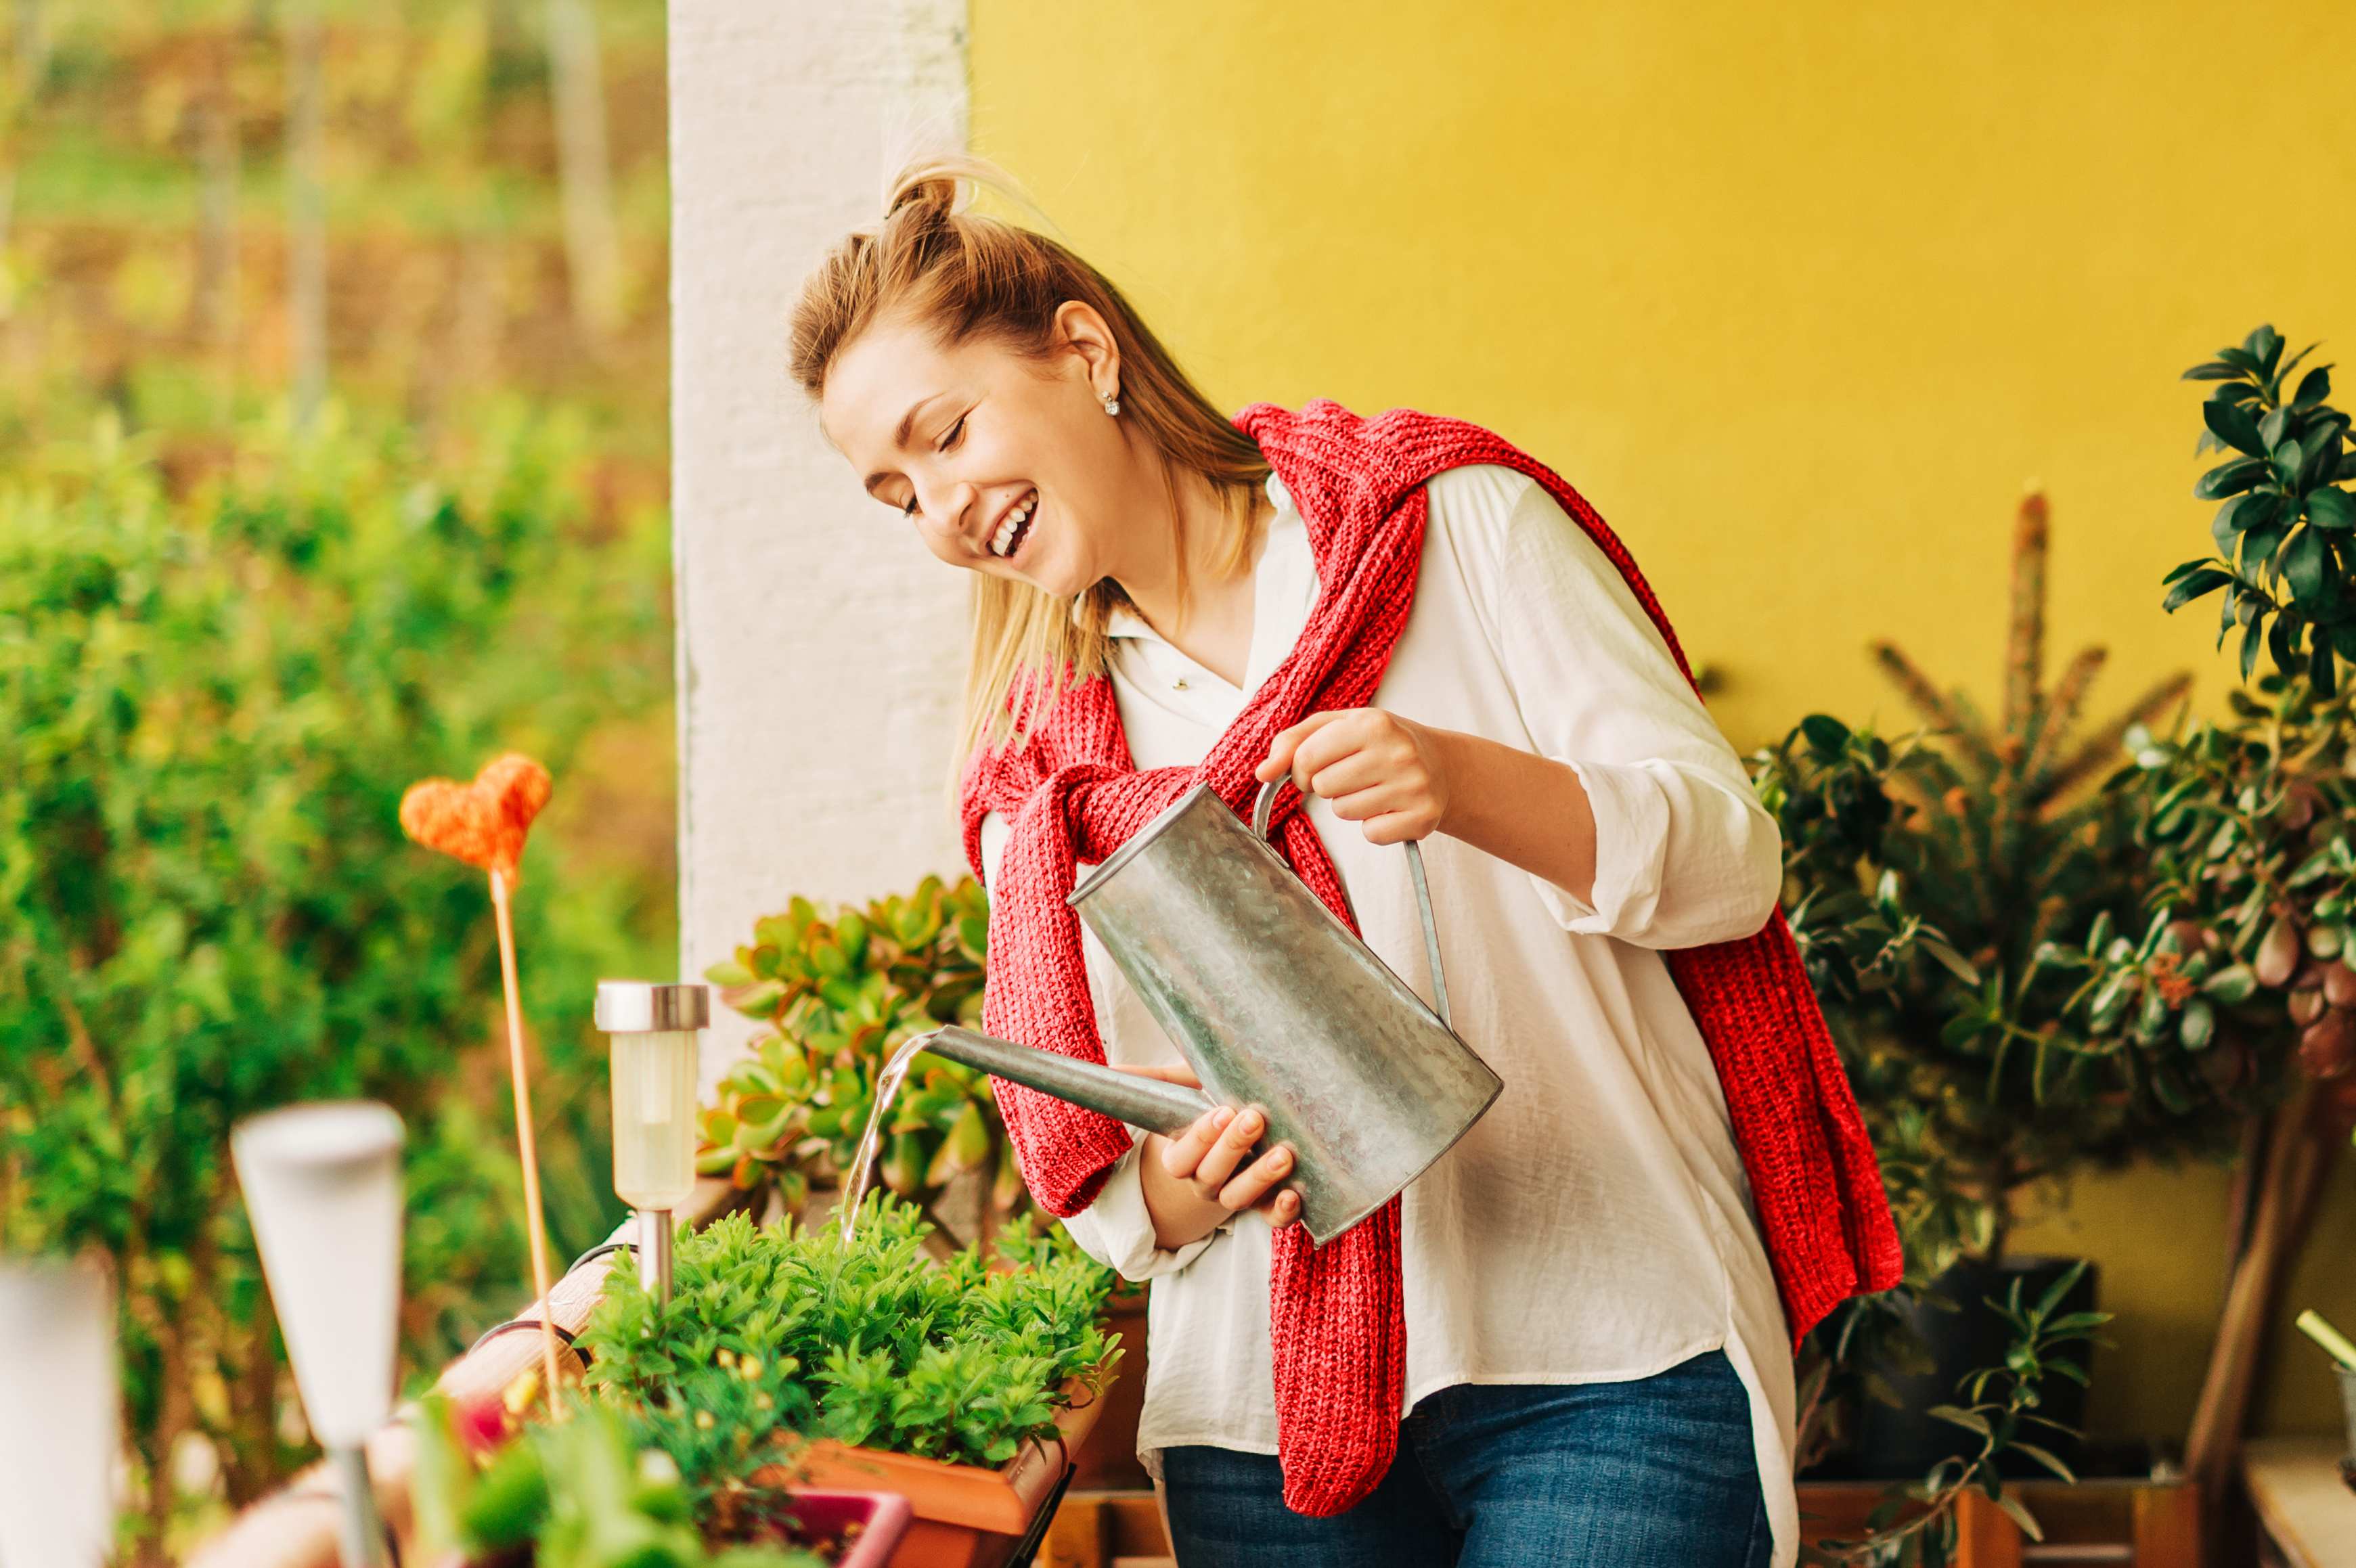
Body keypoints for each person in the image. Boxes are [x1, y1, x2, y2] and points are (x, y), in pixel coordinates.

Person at [787, 158, 1898, 1568]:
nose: (941, 510)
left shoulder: (1446, 527)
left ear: (1082, 348)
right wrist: (1194, 1179)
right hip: (1264, 1423)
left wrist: (1466, 782)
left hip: (1614, 1354)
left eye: (943, 434)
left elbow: (1731, 863)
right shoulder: (1044, 776)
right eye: (897, 495)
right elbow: (1126, 1192)